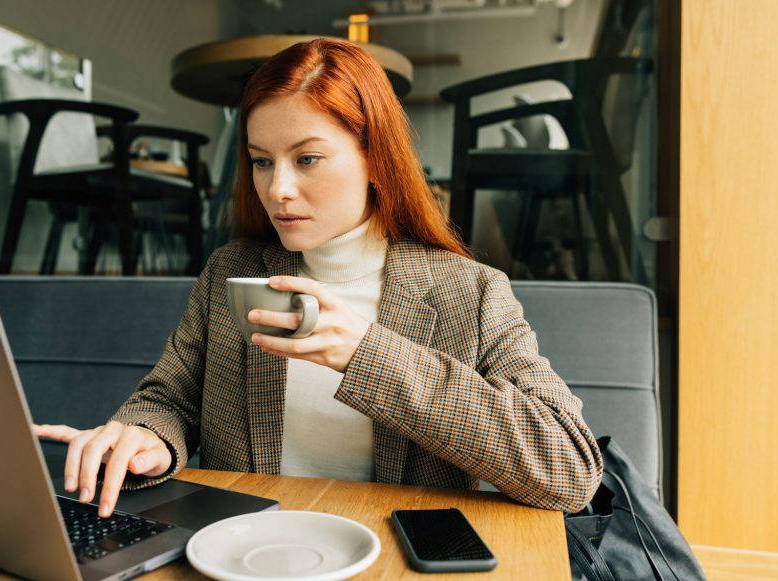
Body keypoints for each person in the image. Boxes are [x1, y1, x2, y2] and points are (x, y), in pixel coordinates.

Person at [35, 38, 603, 519]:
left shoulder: (469, 292)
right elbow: (170, 400)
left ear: (376, 159)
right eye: (262, 160)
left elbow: (569, 472)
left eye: (307, 159)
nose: (278, 188)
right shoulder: (233, 271)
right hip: (248, 556)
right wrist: (147, 438)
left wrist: (369, 356)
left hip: (393, 561)